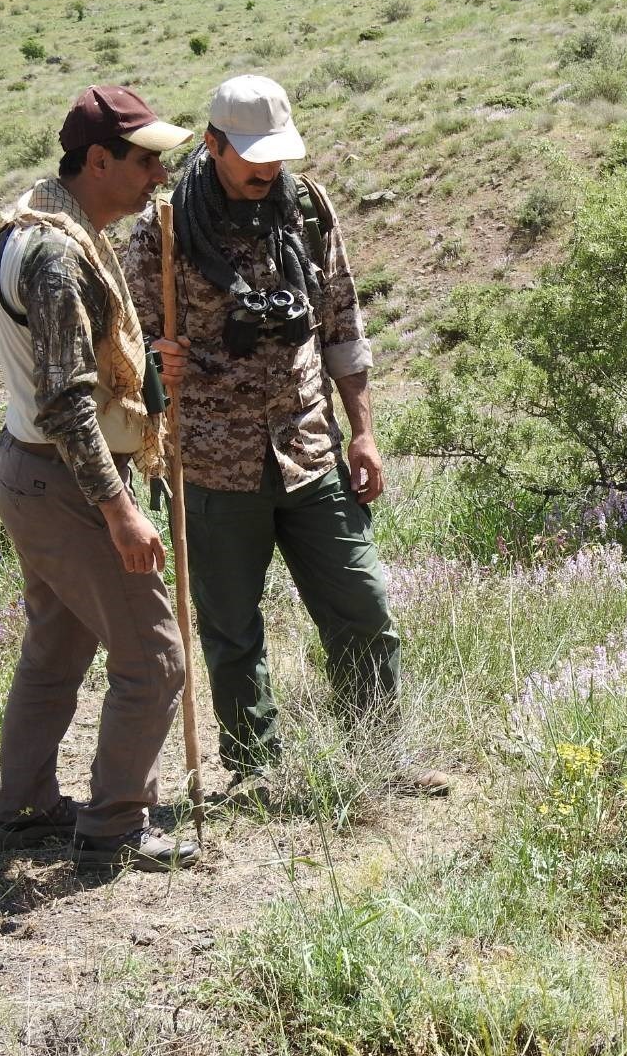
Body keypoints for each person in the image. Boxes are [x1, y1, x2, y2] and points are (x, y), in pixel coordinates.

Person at [121, 75, 447, 794]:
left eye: (276, 155)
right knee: (233, 631)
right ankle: (253, 771)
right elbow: (127, 344)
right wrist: (154, 359)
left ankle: (379, 757)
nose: (266, 171)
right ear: (213, 145)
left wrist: (363, 433)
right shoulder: (165, 228)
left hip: (309, 448)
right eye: (251, 159)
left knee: (363, 609)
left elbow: (342, 326)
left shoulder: (306, 210)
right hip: (209, 461)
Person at [0, 85, 198, 871]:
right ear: (98, 160)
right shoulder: (58, 256)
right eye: (146, 160)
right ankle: (114, 825)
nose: (158, 177)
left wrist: (147, 376)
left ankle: (25, 810)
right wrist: (119, 510)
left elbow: (80, 382)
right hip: (68, 478)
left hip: (31, 470)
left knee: (57, 647)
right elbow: (68, 402)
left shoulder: (38, 224)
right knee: (155, 657)